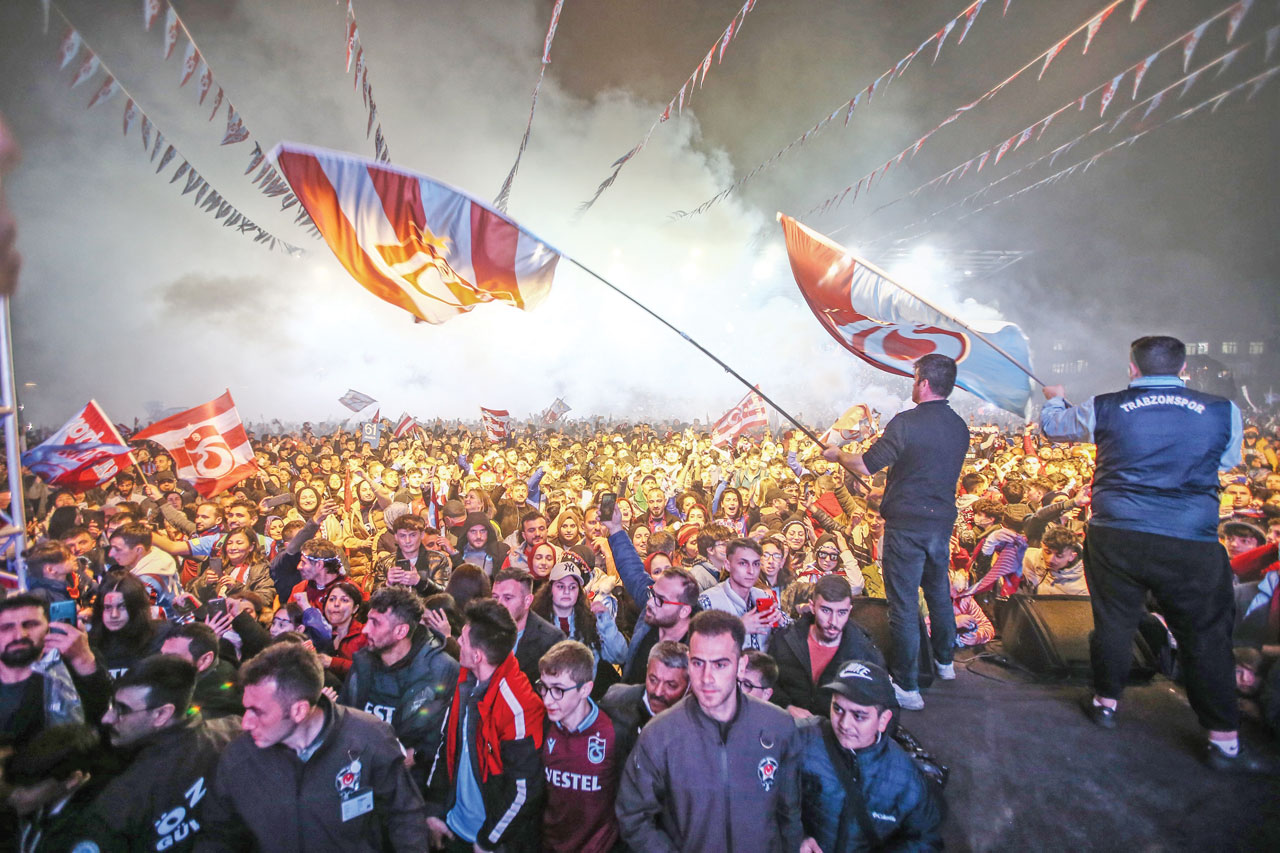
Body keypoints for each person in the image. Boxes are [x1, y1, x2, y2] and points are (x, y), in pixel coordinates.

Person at [1040, 334, 1266, 772]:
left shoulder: (1106, 406)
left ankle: (1105, 703)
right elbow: (1227, 462)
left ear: (1133, 368)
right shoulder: (1223, 410)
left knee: (1114, 623)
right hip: (1190, 539)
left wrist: (1055, 399)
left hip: (1118, 534)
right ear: (1184, 370)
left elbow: (1054, 428)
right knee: (1205, 636)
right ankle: (1224, 739)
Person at [823, 353, 969, 710]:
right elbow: (925, 471)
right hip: (940, 522)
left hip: (906, 527)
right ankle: (945, 662)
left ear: (923, 382)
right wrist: (890, 490)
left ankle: (907, 686)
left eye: (915, 377)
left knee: (903, 603)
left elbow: (865, 463)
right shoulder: (959, 426)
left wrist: (837, 455)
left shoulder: (906, 423)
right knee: (937, 592)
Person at [197, 643, 429, 850]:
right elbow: (219, 835)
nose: (245, 723)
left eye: (258, 712)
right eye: (245, 708)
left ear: (299, 710)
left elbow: (404, 816)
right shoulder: (238, 756)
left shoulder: (369, 738)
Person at [615, 610, 803, 852]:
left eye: (720, 664)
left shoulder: (778, 726)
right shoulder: (659, 735)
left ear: (741, 666)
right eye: (698, 663)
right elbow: (633, 816)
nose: (707, 678)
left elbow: (790, 813)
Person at [70, 655, 241, 852]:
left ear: (162, 714)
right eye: (111, 706)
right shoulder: (230, 735)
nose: (108, 718)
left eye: (122, 710)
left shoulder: (120, 800)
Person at [425, 599, 545, 853]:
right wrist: (435, 808)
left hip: (487, 841)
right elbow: (446, 742)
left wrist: (487, 841)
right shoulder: (465, 677)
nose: (457, 641)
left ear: (478, 655)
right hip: (452, 828)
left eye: (464, 639)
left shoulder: (519, 706)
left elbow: (524, 792)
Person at [797, 659, 944, 852]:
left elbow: (925, 840)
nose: (844, 724)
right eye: (837, 709)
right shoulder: (801, 741)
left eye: (859, 716)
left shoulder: (906, 777)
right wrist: (796, 837)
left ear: (883, 720)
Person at [338, 586, 459, 780]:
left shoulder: (441, 671)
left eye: (375, 623)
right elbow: (344, 716)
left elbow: (446, 741)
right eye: (368, 620)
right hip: (362, 777)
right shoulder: (363, 663)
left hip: (413, 789)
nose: (366, 629)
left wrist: (417, 755)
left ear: (401, 630)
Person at [537, 639, 627, 853]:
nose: (548, 700)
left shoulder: (615, 733)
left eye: (558, 690)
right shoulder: (541, 726)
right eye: (543, 687)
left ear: (585, 689)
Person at [0, 594, 111, 747]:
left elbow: (103, 716)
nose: (19, 635)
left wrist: (83, 660)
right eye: (6, 628)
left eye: (31, 624)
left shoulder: (74, 664)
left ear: (50, 627)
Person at [768, 574, 885, 718]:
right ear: (812, 607)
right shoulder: (785, 640)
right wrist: (787, 707)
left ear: (849, 610)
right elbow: (766, 681)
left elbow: (885, 705)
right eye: (826, 610)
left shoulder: (864, 651)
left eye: (841, 612)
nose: (833, 621)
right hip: (789, 729)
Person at [600, 640, 690, 757]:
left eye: (670, 685)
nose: (658, 692)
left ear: (689, 685)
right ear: (646, 670)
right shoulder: (614, 702)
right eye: (653, 680)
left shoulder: (696, 725)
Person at [698, 538, 785, 651]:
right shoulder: (707, 601)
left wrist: (782, 623)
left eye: (756, 564)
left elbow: (792, 631)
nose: (751, 571)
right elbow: (699, 646)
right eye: (743, 563)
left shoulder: (764, 596)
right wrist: (738, 628)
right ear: (728, 565)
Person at [491, 568, 566, 687]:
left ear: (527, 601)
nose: (499, 604)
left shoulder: (551, 640)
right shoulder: (481, 630)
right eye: (495, 597)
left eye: (508, 598)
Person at [160, 622, 244, 719]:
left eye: (172, 658)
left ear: (205, 660)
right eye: (162, 654)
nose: (161, 663)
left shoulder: (218, 700)